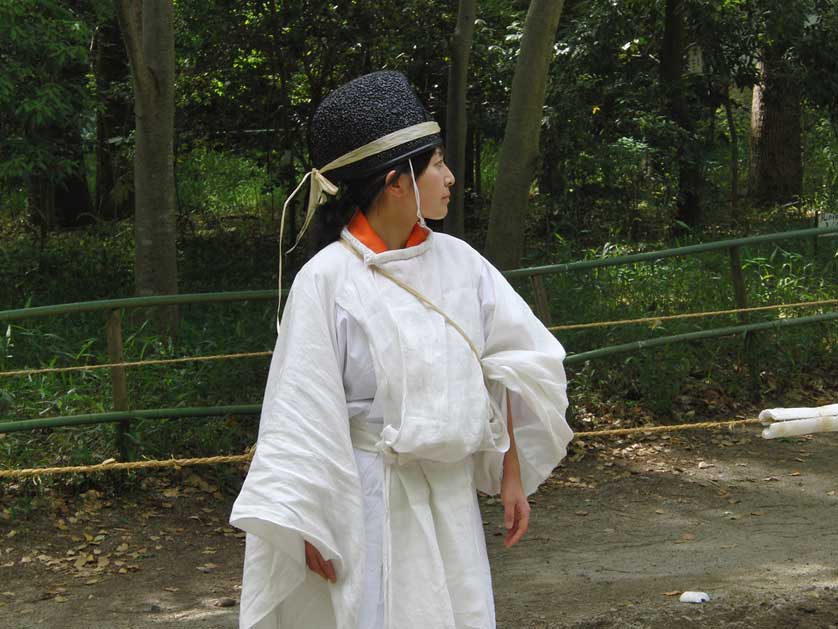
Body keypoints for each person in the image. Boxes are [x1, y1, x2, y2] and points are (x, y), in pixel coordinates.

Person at [230, 71, 572, 629]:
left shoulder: (463, 264)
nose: (450, 177)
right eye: (436, 164)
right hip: (367, 500)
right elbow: (300, 412)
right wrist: (306, 521)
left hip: (450, 498)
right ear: (396, 181)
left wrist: (511, 474)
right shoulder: (328, 280)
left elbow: (512, 363)